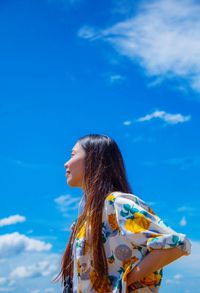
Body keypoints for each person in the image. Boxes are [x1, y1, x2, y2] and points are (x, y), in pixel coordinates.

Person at [57, 134, 191, 293]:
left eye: (73, 155)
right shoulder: (87, 218)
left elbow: (176, 245)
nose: (66, 163)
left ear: (94, 159)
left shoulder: (115, 203)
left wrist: (123, 282)